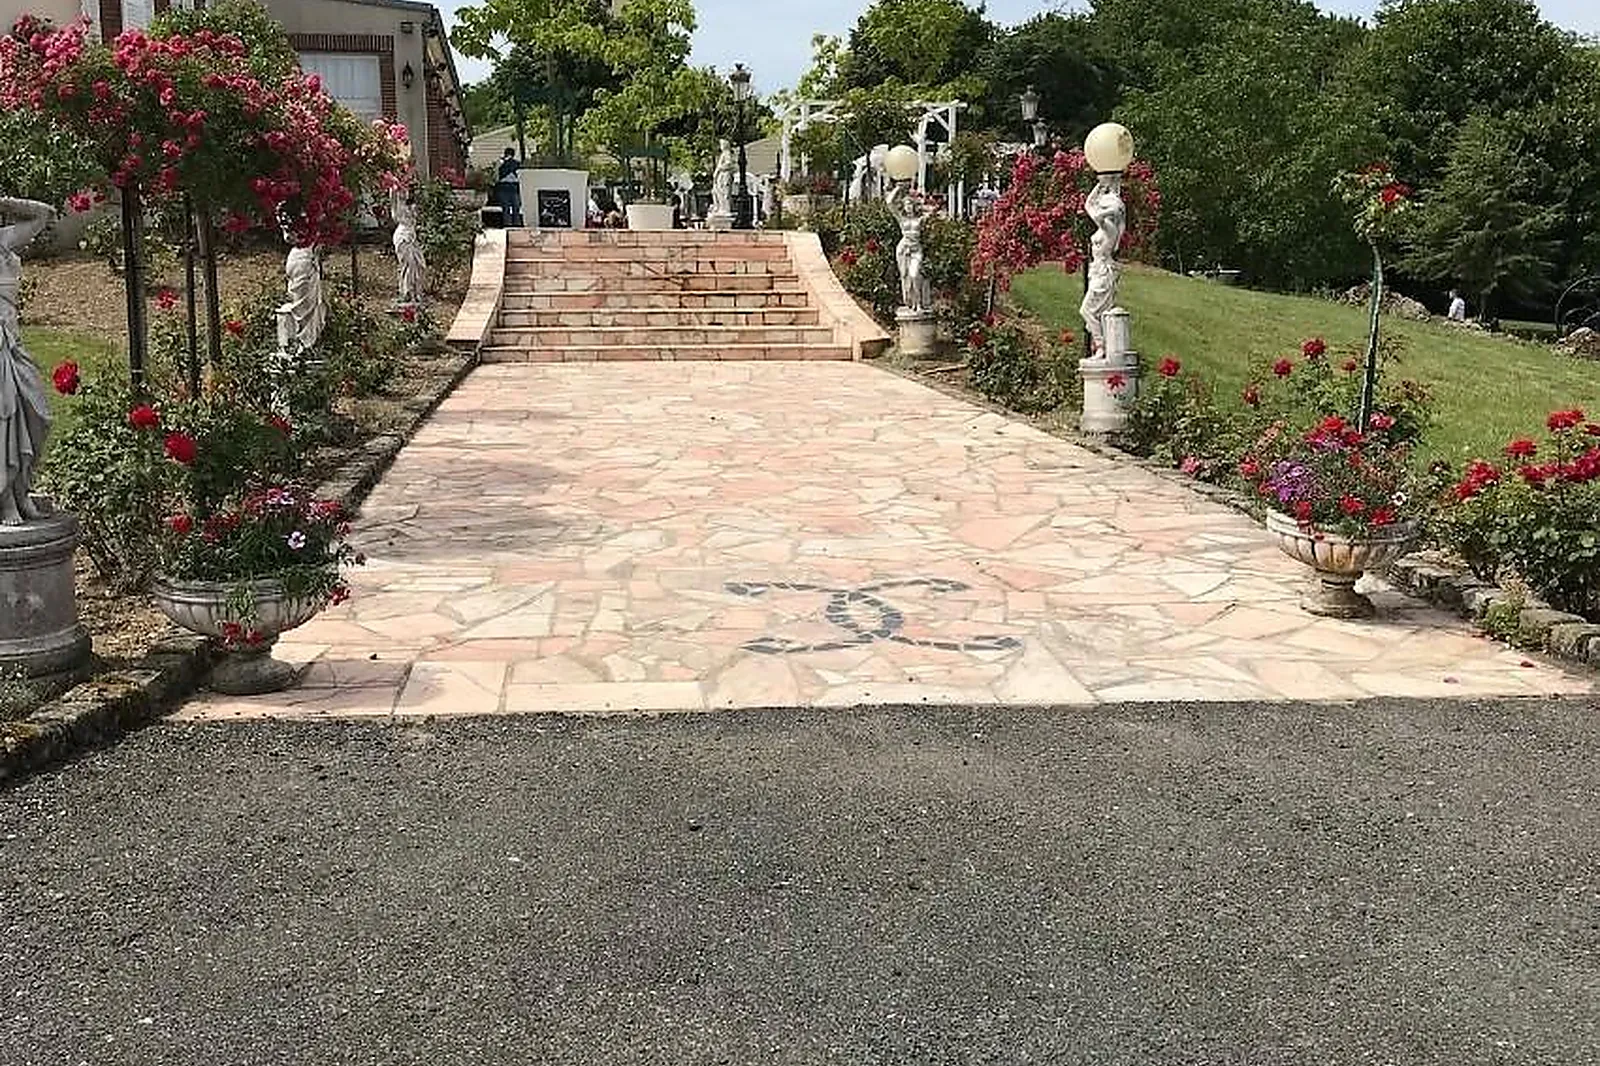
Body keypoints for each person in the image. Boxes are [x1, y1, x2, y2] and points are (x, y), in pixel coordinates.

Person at [0, 197, 55, 525]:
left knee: (38, 412)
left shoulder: (3, 240)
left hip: (12, 343)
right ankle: (7, 498)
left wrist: (5, 201)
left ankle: (20, 488)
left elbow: (43, 215)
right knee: (2, 416)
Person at [496, 148, 522, 227]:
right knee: (513, 208)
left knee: (508, 208)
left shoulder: (504, 163)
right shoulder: (515, 163)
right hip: (510, 187)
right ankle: (514, 224)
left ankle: (510, 224)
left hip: (507, 187)